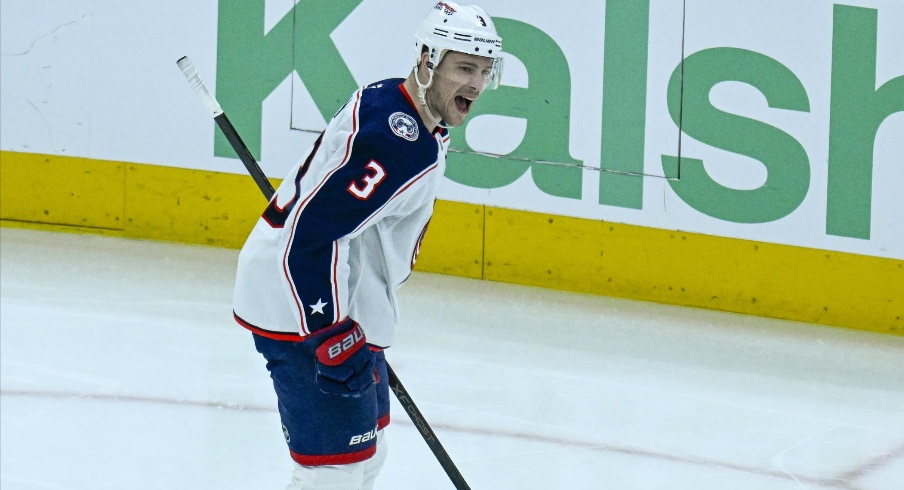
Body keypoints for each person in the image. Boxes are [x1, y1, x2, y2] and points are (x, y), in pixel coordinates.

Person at [231, 2, 504, 488]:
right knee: (337, 472)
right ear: (427, 60)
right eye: (464, 68)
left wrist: (363, 321)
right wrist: (328, 330)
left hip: (348, 306)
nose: (476, 85)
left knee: (366, 456)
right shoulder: (397, 141)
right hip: (302, 305)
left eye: (484, 71)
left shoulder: (398, 103)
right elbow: (313, 232)